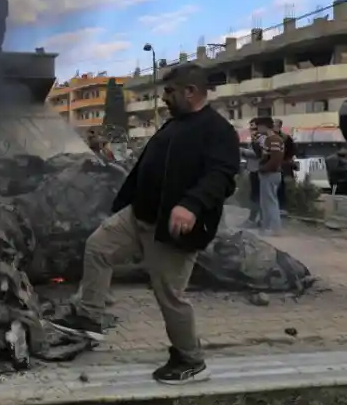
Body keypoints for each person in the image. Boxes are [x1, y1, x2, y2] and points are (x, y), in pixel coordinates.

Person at [49, 65, 239, 385]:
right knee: (98, 247)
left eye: (169, 92)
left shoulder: (216, 130)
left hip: (172, 229)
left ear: (190, 92)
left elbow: (221, 175)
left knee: (170, 296)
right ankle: (89, 316)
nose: (164, 98)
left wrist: (191, 205)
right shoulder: (175, 124)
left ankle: (190, 360)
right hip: (138, 217)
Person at [255, 116, 284, 235]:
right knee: (265, 202)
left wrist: (263, 169)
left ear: (264, 126)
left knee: (270, 201)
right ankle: (266, 227)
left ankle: (275, 229)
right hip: (269, 173)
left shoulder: (274, 139)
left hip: (270, 174)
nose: (257, 130)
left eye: (258, 127)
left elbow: (275, 159)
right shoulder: (269, 139)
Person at [241, 118, 263, 227]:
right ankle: (255, 219)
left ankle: (254, 220)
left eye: (254, 128)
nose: (252, 130)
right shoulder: (255, 138)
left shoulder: (261, 138)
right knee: (255, 196)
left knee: (257, 196)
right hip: (253, 170)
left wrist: (242, 151)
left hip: (259, 170)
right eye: (251, 128)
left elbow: (258, 154)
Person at [273, 119, 297, 211]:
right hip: (273, 167)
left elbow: (292, 151)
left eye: (275, 125)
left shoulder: (286, 138)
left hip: (283, 167)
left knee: (282, 188)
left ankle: (282, 208)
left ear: (279, 126)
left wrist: (286, 161)